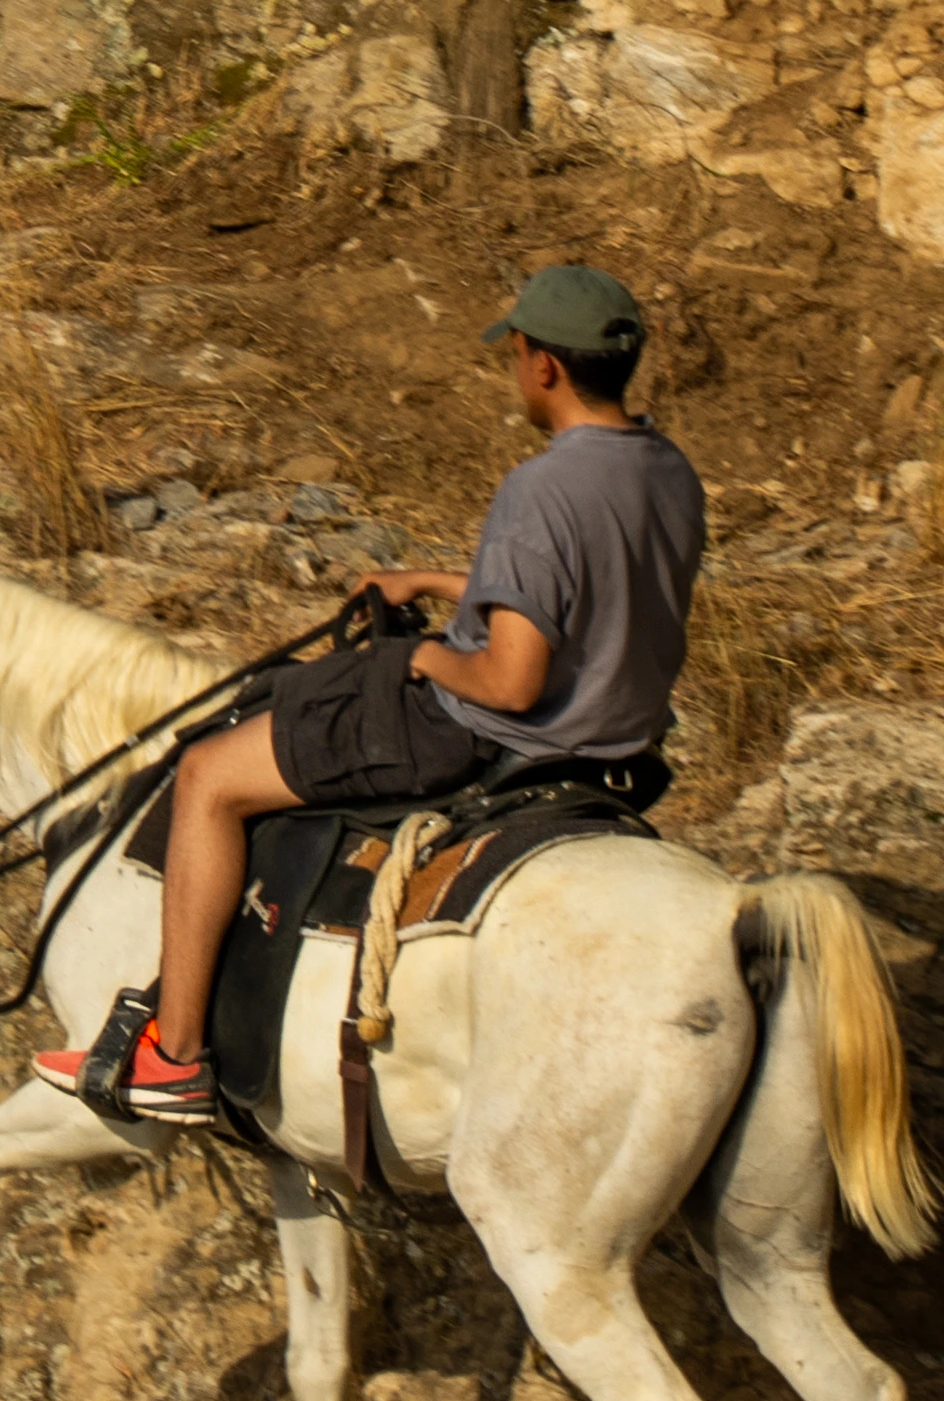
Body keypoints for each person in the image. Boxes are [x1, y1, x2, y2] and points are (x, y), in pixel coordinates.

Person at [41, 259, 709, 1128]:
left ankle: (173, 1055)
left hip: (487, 731)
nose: (514, 372)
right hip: (615, 743)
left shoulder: (541, 487)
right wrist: (433, 579)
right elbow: (590, 589)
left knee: (208, 774)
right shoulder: (666, 470)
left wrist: (429, 660)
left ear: (542, 365)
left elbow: (509, 678)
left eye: (514, 355)